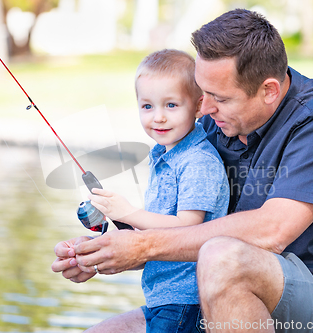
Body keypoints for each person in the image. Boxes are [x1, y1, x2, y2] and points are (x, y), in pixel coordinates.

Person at [52, 9, 313, 333]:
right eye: (202, 93)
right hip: (221, 300)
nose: (205, 108)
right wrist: (107, 250)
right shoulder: (214, 127)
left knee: (222, 257)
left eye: (221, 98)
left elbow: (271, 231)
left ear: (269, 90)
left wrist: (142, 246)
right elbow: (183, 234)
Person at [85, 49, 229, 332]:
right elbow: (158, 229)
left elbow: (188, 226)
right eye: (147, 106)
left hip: (187, 299)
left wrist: (130, 212)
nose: (158, 117)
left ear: (199, 106)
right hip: (161, 297)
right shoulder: (163, 154)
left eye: (171, 105)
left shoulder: (198, 160)